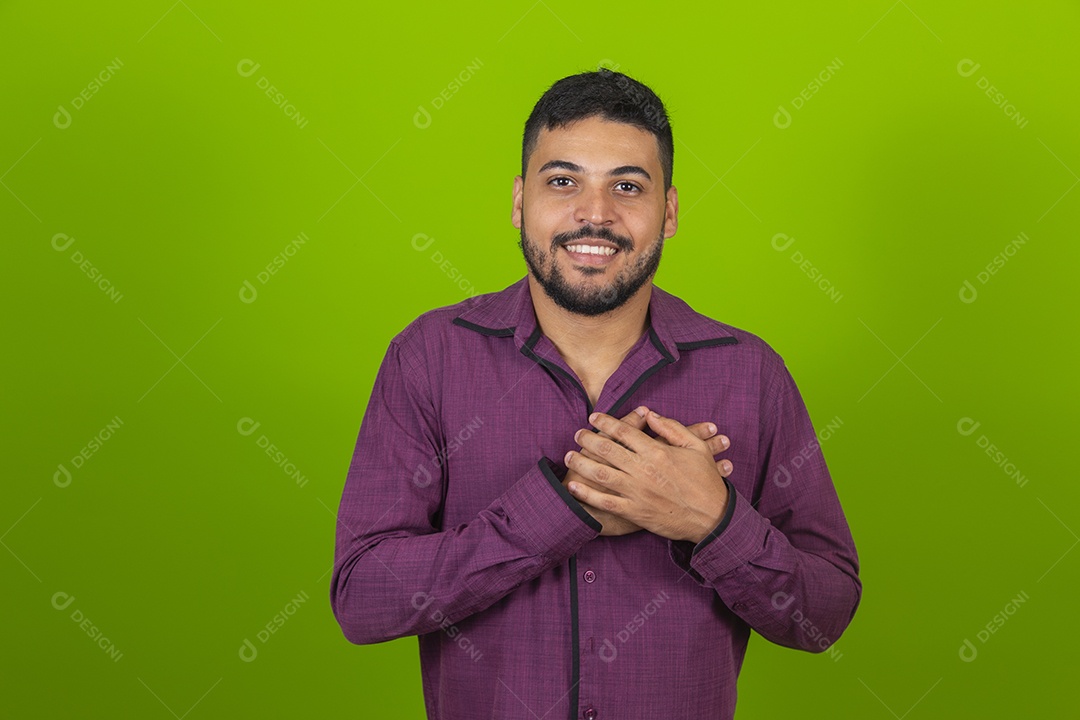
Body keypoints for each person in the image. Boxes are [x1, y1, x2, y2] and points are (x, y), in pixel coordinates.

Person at [331, 69, 861, 720]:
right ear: (520, 202)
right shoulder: (428, 359)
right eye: (563, 182)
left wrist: (714, 522)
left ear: (667, 212)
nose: (595, 214)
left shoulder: (750, 374)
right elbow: (362, 599)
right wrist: (563, 511)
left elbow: (825, 613)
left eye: (627, 187)